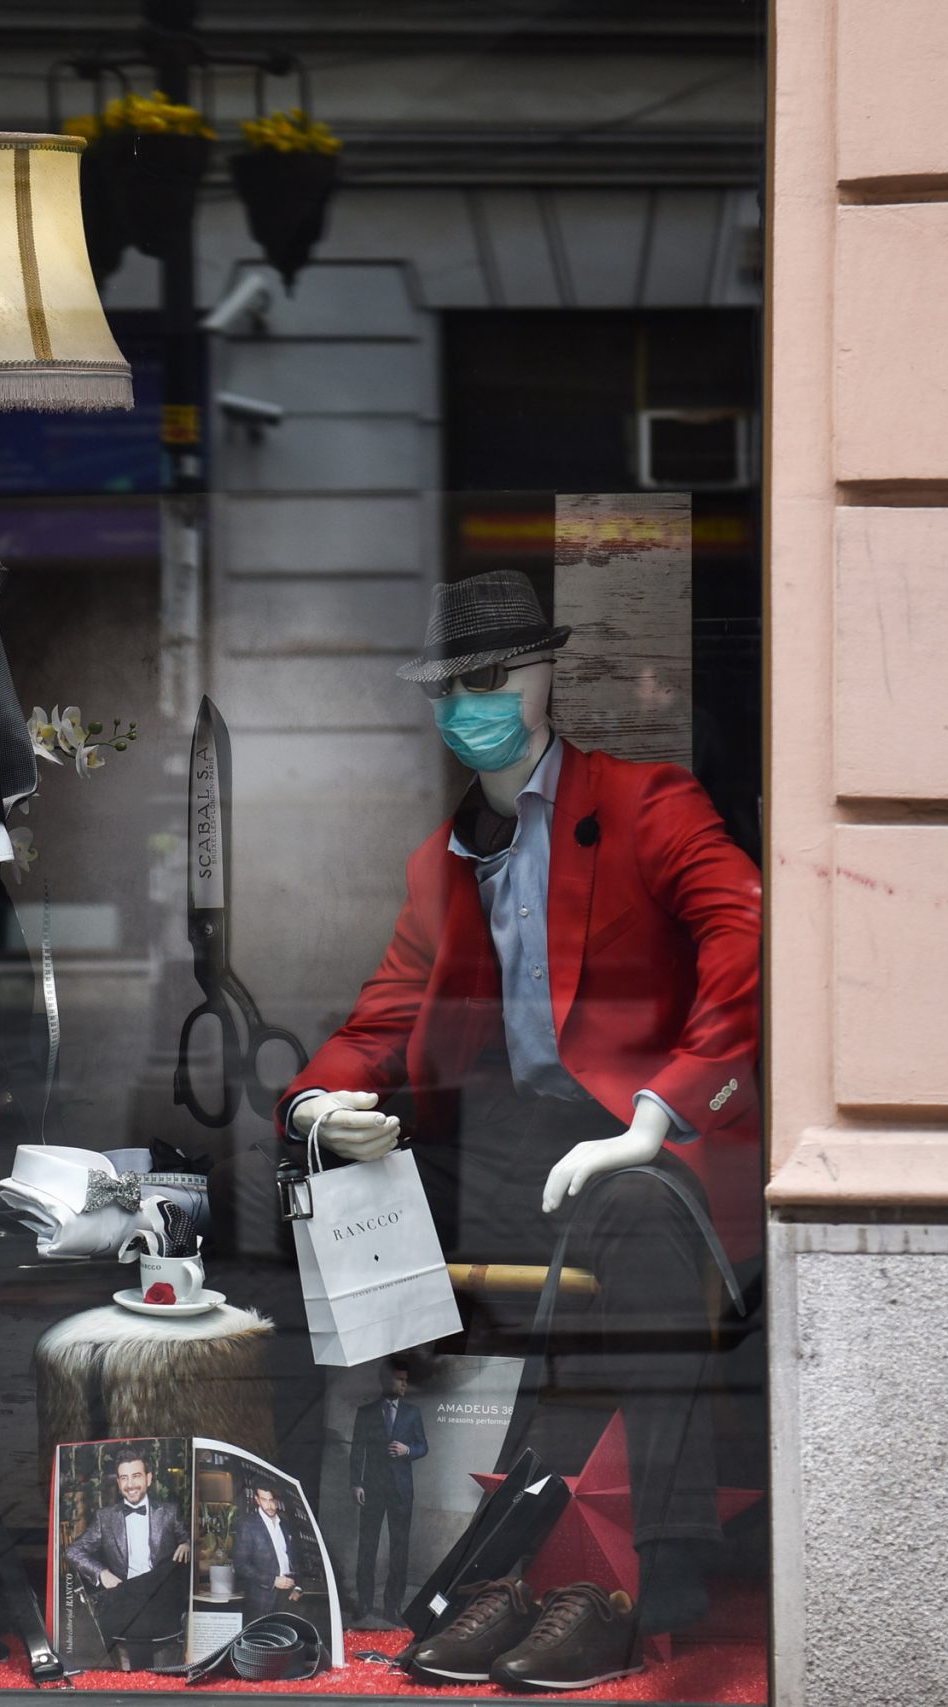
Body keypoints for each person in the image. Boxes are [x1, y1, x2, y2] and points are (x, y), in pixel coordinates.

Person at [282, 569, 763, 1642]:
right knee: (316, 1210)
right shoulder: (440, 865)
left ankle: (659, 1561)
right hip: (504, 1143)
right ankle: (332, 1542)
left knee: (638, 1219)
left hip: (639, 1129)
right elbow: (379, 1019)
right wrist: (313, 1107)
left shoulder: (646, 805)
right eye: (447, 688)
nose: (470, 706)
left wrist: (659, 1112)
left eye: (493, 677)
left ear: (545, 676)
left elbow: (743, 926)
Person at [64, 1450, 191, 1667]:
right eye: (124, 1478)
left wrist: (186, 1544)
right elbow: (73, 1551)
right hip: (125, 1601)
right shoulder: (105, 1518)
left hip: (160, 1601)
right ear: (118, 1482)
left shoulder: (169, 1512)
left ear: (148, 1479)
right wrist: (102, 1573)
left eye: (136, 1476)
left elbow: (188, 1538)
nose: (130, 1484)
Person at [349, 1363, 429, 1626]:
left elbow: (423, 1446)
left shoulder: (412, 1413)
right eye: (400, 1379)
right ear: (386, 1380)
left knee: (399, 1550)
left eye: (406, 1380)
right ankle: (364, 1603)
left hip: (401, 1491)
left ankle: (393, 1607)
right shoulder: (366, 1412)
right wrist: (356, 1484)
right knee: (367, 1548)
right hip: (372, 1489)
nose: (405, 1384)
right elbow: (357, 1450)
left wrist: (408, 1450)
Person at [232, 1483, 310, 1619]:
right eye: (264, 1500)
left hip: (289, 1596)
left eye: (272, 1500)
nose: (269, 1505)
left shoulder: (286, 1525)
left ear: (278, 1500)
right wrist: (273, 1580)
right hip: (261, 1599)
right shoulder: (247, 1525)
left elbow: (296, 1559)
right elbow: (241, 1566)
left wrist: (298, 1588)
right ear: (257, 1500)